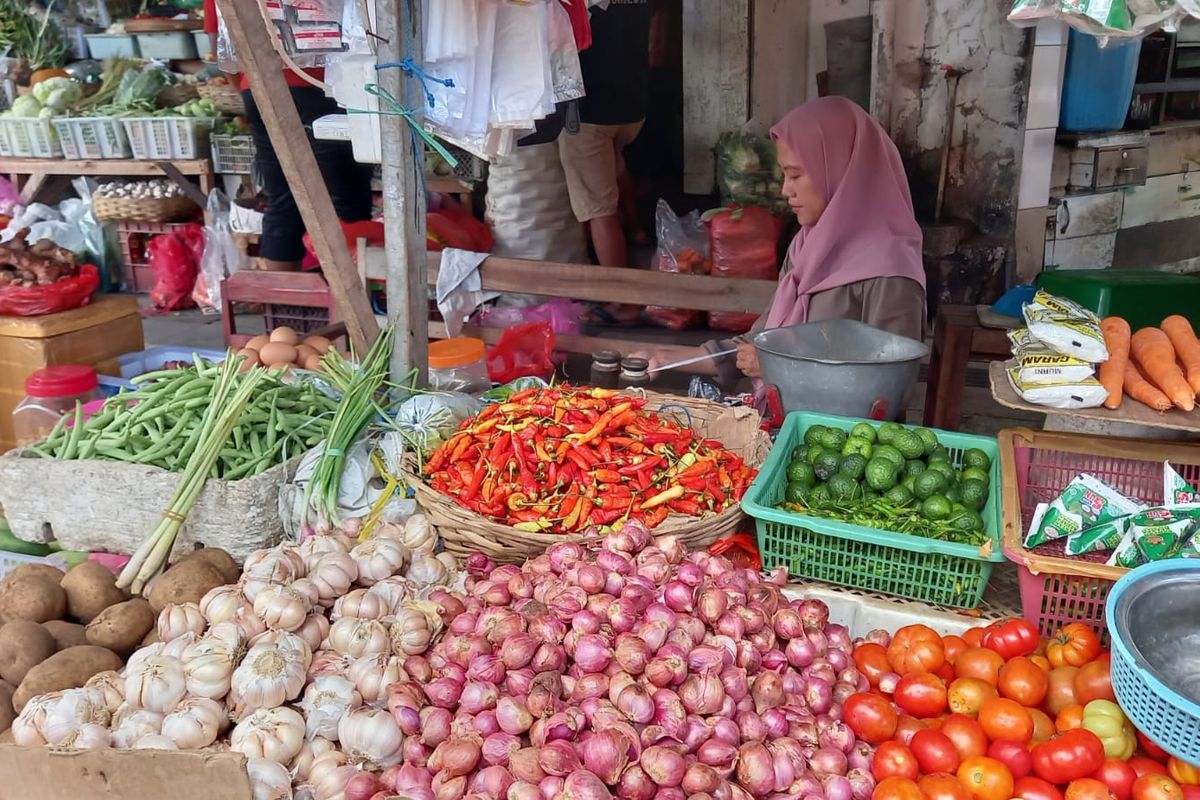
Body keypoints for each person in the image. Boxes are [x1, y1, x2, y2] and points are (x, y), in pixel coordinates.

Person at [639, 96, 927, 384]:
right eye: (784, 176)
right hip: (781, 413)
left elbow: (889, 382)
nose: (785, 190)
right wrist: (666, 358)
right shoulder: (807, 245)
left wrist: (779, 368)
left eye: (796, 175)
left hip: (835, 429)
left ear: (839, 171)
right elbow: (762, 343)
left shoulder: (890, 270)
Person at [203, 0, 375, 271]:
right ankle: (349, 307)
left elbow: (221, 52)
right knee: (347, 203)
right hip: (327, 85)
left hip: (261, 90)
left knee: (283, 200)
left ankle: (286, 308)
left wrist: (252, 88)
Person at [558, 0, 651, 323]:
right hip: (632, 108)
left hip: (591, 115)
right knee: (615, 166)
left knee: (598, 210)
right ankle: (638, 232)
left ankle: (621, 302)